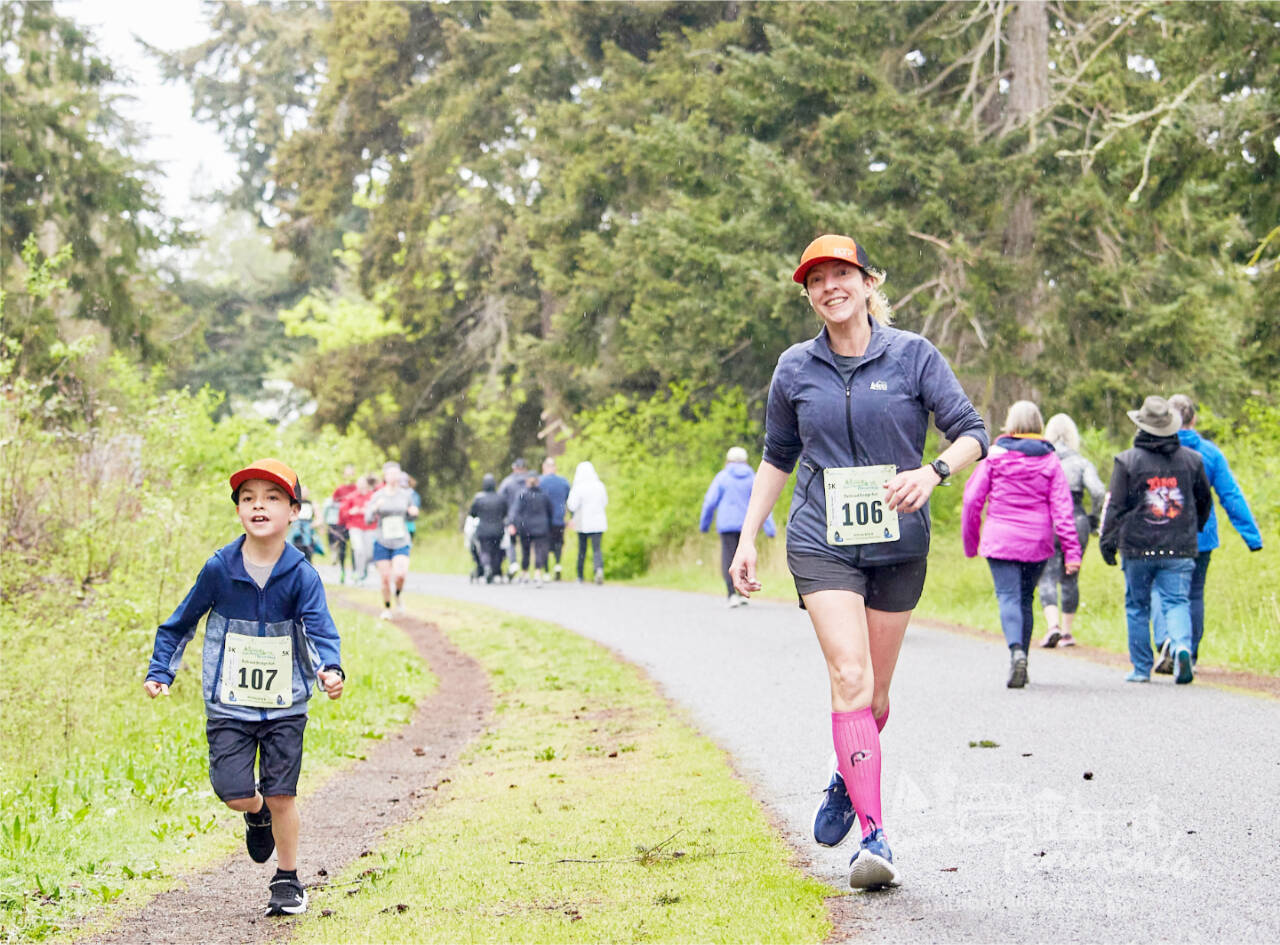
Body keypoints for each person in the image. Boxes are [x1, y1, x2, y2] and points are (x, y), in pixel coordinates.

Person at [729, 234, 987, 890]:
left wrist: (932, 474)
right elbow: (777, 454)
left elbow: (974, 434)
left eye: (842, 273)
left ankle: (847, 773)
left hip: (900, 541)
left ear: (869, 282)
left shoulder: (913, 356)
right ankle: (874, 835)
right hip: (822, 541)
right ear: (809, 294)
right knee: (849, 675)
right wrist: (747, 536)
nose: (830, 287)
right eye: (817, 280)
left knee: (873, 695)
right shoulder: (794, 368)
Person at [143, 458, 344, 918]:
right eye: (249, 498)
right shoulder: (220, 569)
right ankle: (255, 814)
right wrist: (161, 671)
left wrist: (330, 669)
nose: (259, 506)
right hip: (229, 703)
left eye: (272, 498)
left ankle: (288, 879)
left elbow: (319, 631)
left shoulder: (301, 575)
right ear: (238, 511)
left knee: (282, 793)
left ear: (293, 511)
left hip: (284, 704)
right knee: (233, 791)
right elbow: (179, 624)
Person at [962, 402, 1082, 688]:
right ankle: (1023, 659)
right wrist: (1072, 552)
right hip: (1036, 541)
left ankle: (1016, 653)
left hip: (1001, 538)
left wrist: (971, 542)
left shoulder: (995, 456)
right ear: (1039, 426)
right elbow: (1063, 509)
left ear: (1010, 425)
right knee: (1026, 598)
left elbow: (972, 500)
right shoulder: (1050, 460)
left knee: (1008, 597)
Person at [1098, 395, 1211, 684]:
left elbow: (1116, 506)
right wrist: (1194, 527)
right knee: (1176, 602)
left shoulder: (1127, 461)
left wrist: (1107, 542)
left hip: (1137, 546)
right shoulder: (1192, 460)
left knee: (1137, 606)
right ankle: (1182, 647)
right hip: (1180, 545)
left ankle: (1140, 668)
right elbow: (1203, 501)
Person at [1150, 394, 1263, 672]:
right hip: (1201, 536)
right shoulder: (1210, 453)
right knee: (1194, 594)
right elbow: (1230, 496)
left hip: (1162, 532)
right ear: (1194, 419)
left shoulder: (1154, 450)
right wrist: (1252, 536)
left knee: (1159, 588)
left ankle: (1166, 641)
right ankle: (1190, 652)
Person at [1036, 414, 1106, 648]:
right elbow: (1097, 491)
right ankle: (1067, 633)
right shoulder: (1081, 462)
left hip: (1047, 518)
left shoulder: (1042, 459)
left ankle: (1052, 625)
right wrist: (1093, 517)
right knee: (1070, 575)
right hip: (1077, 517)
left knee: (1046, 573)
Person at [700, 446, 776, 607]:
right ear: (745, 461)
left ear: (727, 460)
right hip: (747, 525)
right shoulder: (753, 478)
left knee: (729, 557)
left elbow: (709, 502)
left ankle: (731, 594)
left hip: (727, 524)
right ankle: (744, 592)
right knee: (745, 555)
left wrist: (704, 525)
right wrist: (770, 529)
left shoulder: (722, 477)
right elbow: (763, 501)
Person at [365, 461, 418, 618]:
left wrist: (413, 512)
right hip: (382, 540)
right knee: (386, 578)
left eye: (397, 474)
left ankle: (398, 594)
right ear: (385, 476)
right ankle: (387, 608)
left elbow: (410, 515)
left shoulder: (406, 495)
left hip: (401, 539)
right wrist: (375, 508)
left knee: (401, 574)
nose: (394, 477)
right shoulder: (378, 496)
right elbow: (368, 519)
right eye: (391, 473)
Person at [567, 461, 609, 584]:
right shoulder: (599, 485)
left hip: (583, 523)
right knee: (597, 549)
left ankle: (580, 575)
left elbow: (572, 505)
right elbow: (605, 502)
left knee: (582, 549)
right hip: (598, 522)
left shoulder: (578, 487)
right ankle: (598, 569)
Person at [510, 474, 554, 585]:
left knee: (525, 551)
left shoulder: (522, 495)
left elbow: (517, 511)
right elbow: (550, 511)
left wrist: (515, 524)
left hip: (526, 527)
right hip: (541, 527)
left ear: (527, 482)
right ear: (538, 482)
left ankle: (524, 573)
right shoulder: (544, 495)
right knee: (540, 551)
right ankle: (538, 573)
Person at [469, 474, 508, 583]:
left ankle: (487, 568)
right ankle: (494, 571)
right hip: (498, 530)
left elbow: (472, 513)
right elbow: (505, 512)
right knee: (496, 550)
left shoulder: (479, 499)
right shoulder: (501, 498)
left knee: (485, 550)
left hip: (483, 530)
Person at [340, 474, 377, 585]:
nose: (361, 486)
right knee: (359, 550)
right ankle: (359, 574)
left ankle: (364, 570)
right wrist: (352, 512)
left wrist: (369, 511)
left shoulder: (373, 496)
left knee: (369, 553)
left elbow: (378, 513)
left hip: (370, 527)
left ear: (367, 485)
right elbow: (343, 514)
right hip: (354, 527)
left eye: (363, 484)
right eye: (359, 484)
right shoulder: (351, 497)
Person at [324, 465, 358, 584]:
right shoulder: (339, 490)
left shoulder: (357, 488)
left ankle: (355, 571)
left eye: (351, 474)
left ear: (354, 475)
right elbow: (332, 504)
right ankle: (343, 570)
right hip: (341, 523)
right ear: (344, 476)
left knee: (355, 548)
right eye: (346, 474)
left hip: (354, 522)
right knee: (342, 548)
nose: (348, 476)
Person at [498, 458, 531, 578]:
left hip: (511, 517)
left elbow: (500, 500)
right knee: (525, 545)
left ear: (514, 468)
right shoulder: (530, 481)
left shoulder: (507, 482)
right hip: (527, 519)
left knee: (511, 541)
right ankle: (525, 570)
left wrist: (504, 516)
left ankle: (513, 562)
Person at [540, 457, 572, 580]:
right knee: (558, 543)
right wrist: (570, 517)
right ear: (555, 468)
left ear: (544, 467)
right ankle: (558, 565)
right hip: (559, 519)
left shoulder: (540, 481)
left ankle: (547, 572)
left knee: (545, 545)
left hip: (544, 520)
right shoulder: (563, 482)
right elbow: (569, 500)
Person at [286, 486, 324, 563]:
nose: (304, 493)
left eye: (305, 492)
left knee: (308, 554)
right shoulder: (293, 503)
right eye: (302, 491)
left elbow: (319, 518)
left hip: (308, 532)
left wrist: (312, 525)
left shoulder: (312, 503)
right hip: (296, 532)